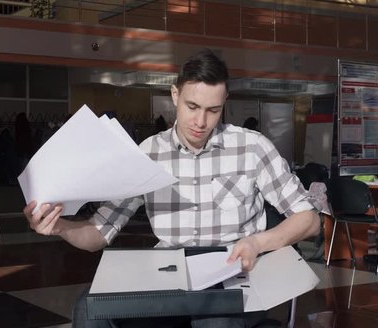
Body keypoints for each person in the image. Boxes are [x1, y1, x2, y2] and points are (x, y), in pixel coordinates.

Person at [23, 49, 321, 328]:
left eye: (213, 110)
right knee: (88, 310)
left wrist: (257, 243)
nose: (201, 122)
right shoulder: (148, 153)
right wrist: (59, 226)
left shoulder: (252, 147)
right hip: (168, 276)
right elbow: (99, 232)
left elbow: (309, 219)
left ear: (224, 102)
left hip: (233, 278)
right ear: (175, 95)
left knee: (214, 320)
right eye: (192, 106)